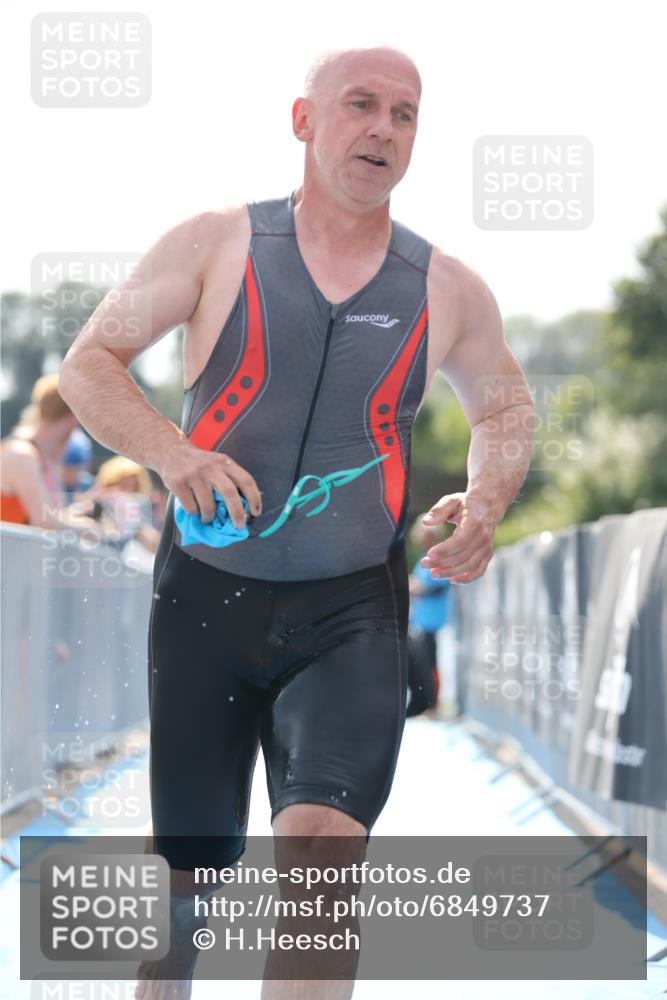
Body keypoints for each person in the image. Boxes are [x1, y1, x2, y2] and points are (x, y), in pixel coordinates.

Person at [58, 45, 534, 1000]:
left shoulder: (445, 287)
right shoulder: (213, 242)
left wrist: (484, 501)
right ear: (303, 119)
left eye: (405, 115)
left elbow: (505, 408)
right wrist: (176, 451)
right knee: (183, 904)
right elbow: (88, 363)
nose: (385, 130)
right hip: (204, 606)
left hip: (352, 607)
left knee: (322, 865)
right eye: (361, 105)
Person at [0, 373, 102, 535]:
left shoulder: (40, 460)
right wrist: (93, 529)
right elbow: (45, 522)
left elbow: (53, 517)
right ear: (72, 419)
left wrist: (78, 515)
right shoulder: (22, 457)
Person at [406, 515, 450, 718]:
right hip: (421, 619)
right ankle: (429, 704)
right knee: (424, 662)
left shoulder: (439, 556)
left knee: (431, 662)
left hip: (433, 618)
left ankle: (434, 705)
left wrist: (416, 589)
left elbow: (439, 587)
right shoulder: (425, 556)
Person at [59, 427, 95, 501]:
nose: (71, 476)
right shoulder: (48, 483)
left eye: (76, 470)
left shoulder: (88, 485)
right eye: (67, 471)